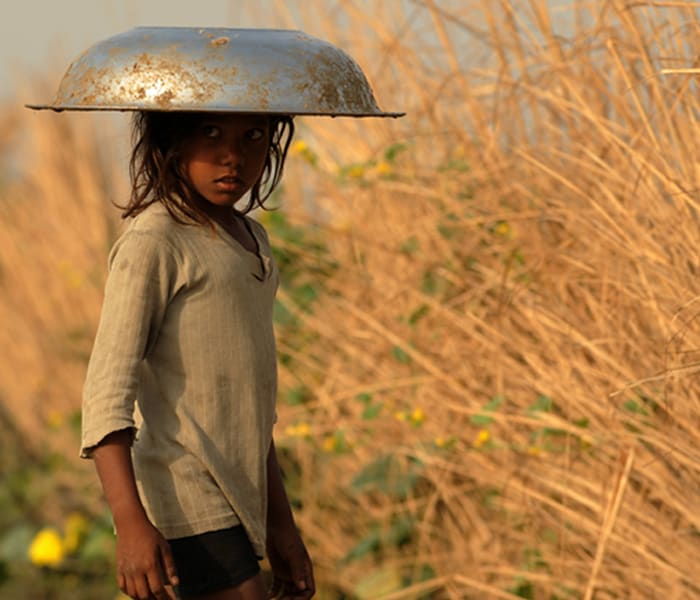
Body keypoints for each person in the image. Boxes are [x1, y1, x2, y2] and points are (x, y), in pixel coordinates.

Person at [80, 109, 314, 600]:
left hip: (241, 497)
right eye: (211, 134)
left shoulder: (253, 241)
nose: (233, 157)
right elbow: (106, 394)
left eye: (253, 136)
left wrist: (281, 527)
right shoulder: (155, 241)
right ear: (173, 141)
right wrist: (129, 523)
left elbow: (250, 412)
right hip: (184, 495)